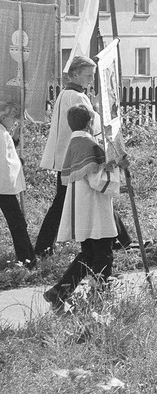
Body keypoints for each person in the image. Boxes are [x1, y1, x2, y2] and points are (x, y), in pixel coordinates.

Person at [35, 56, 132, 257]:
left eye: (93, 75)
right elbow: (92, 125)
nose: (91, 79)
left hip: (67, 154)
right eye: (88, 75)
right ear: (75, 74)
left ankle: (121, 239)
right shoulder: (78, 97)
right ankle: (43, 247)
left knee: (64, 201)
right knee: (68, 201)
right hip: (78, 156)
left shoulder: (66, 93)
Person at [43, 106, 123, 313]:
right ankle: (97, 300)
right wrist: (116, 167)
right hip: (94, 209)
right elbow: (98, 181)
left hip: (82, 208)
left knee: (88, 254)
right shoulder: (90, 144)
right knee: (103, 255)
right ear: (90, 123)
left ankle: (59, 291)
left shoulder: (74, 142)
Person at [0, 102, 35, 268]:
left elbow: (7, 150)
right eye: (13, 117)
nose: (15, 121)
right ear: (3, 116)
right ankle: (27, 258)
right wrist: (19, 162)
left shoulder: (3, 131)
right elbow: (5, 160)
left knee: (17, 222)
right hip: (3, 186)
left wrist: (14, 139)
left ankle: (27, 257)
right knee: (17, 222)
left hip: (3, 186)